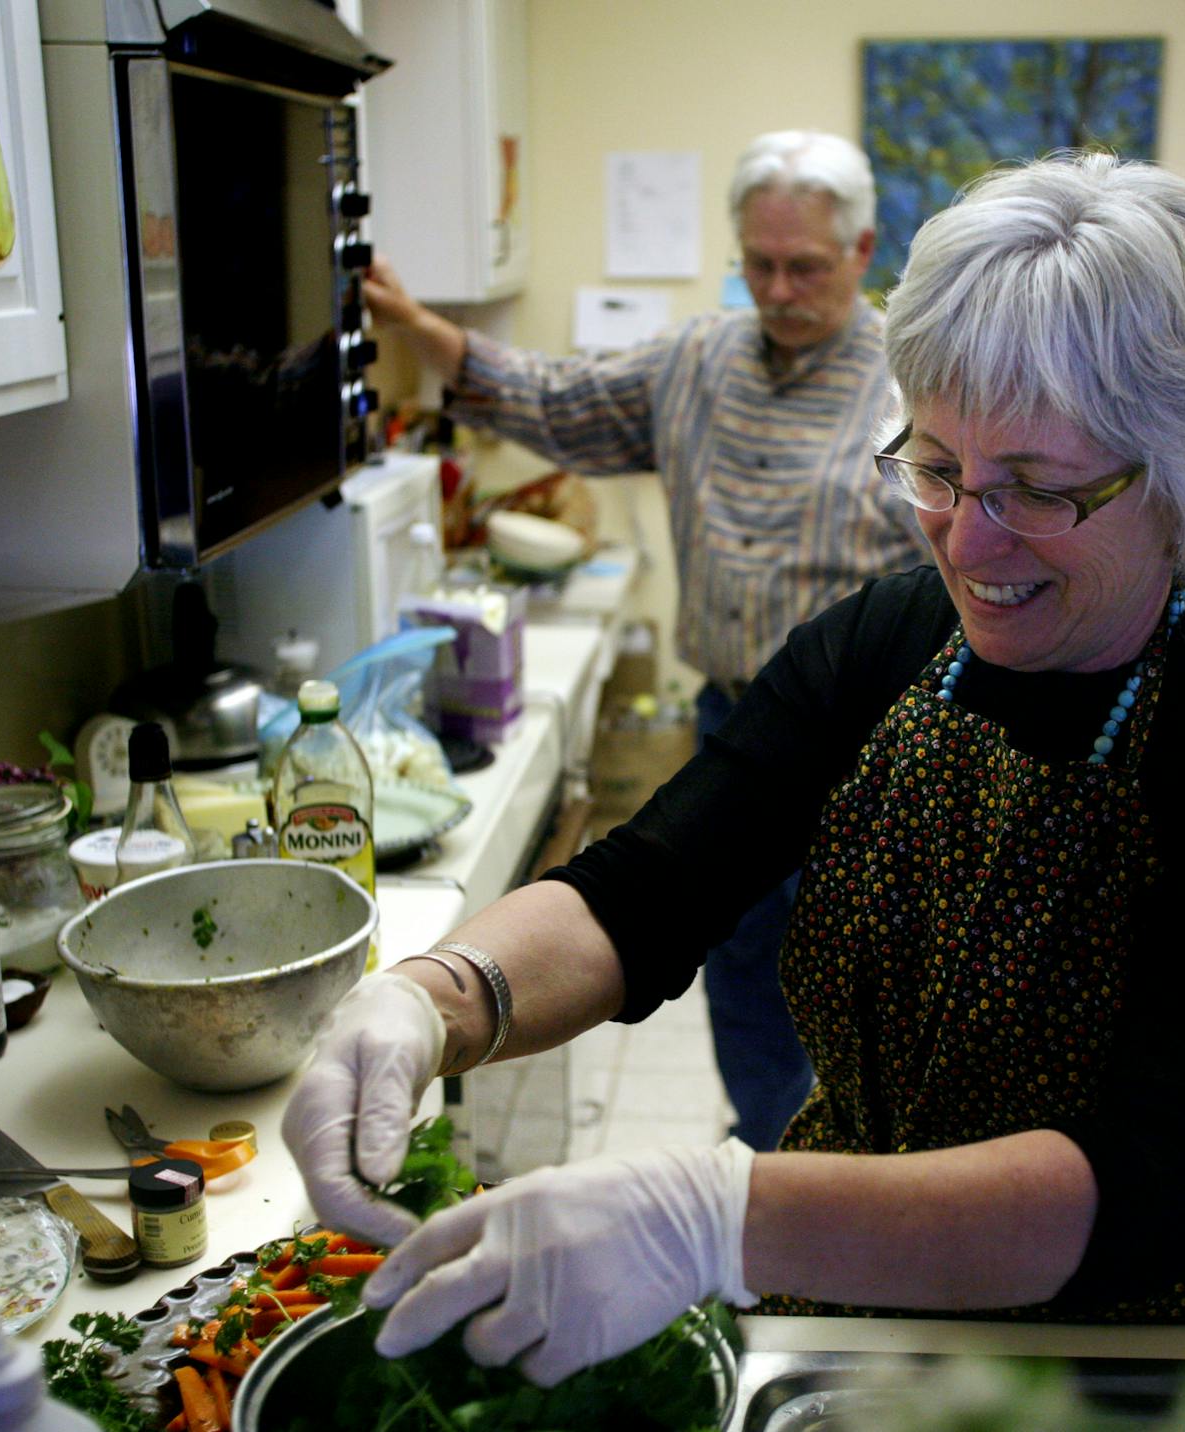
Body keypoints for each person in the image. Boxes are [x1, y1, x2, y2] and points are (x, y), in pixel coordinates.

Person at [287, 151, 1185, 1385]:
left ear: (1183, 479)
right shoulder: (885, 643)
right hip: (859, 1316)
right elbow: (650, 890)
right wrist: (435, 998)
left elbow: (1145, 1184)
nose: (967, 539)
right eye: (938, 467)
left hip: (1144, 1353)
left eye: (1034, 489)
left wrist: (718, 1214)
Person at [364, 130, 924, 1152]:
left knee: (871, 982)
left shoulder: (910, 384)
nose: (781, 288)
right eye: (760, 264)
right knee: (744, 965)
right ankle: (769, 1162)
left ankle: (873, 1180)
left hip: (878, 750)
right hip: (738, 726)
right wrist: (420, 330)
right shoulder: (697, 359)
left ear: (862, 250)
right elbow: (557, 400)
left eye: (805, 266)